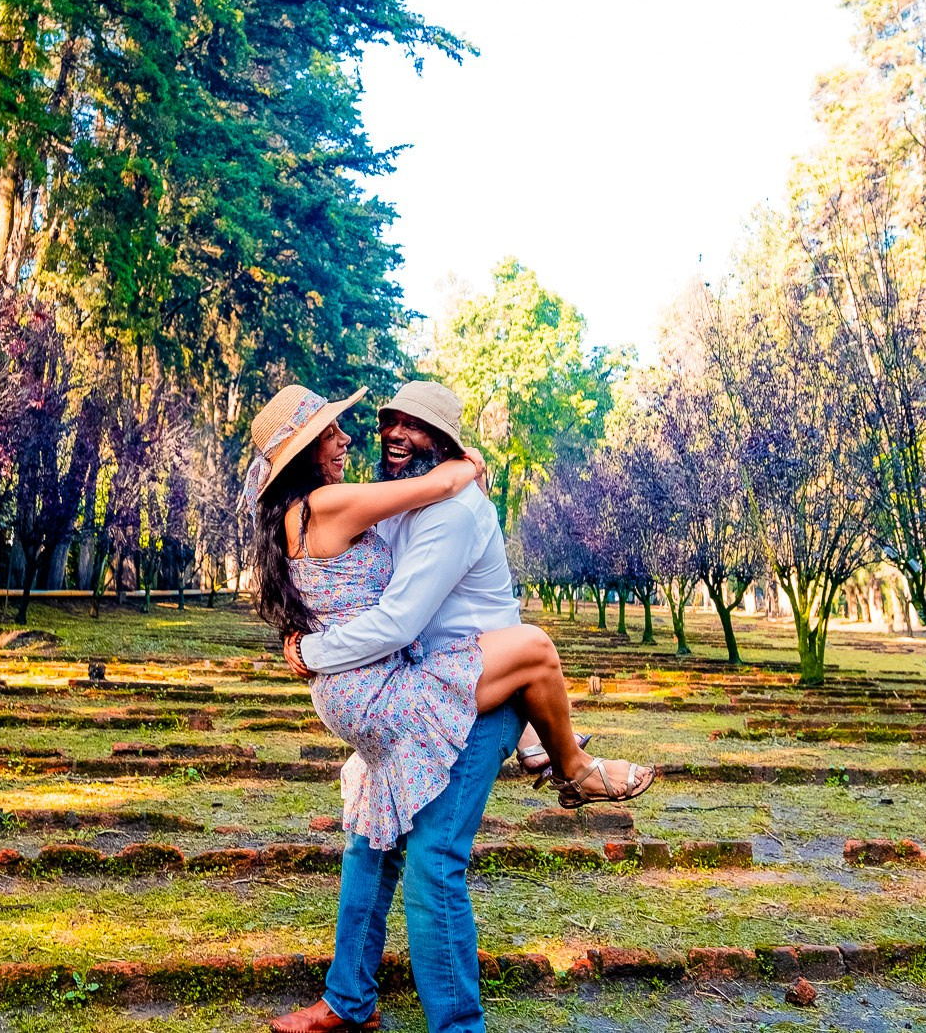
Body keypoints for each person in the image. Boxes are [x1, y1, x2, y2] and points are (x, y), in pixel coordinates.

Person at [243, 381, 651, 1033]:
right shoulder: (375, 503)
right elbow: (383, 607)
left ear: (443, 441)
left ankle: (429, 1018)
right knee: (372, 844)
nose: (382, 434)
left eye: (413, 425)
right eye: (386, 422)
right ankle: (351, 1001)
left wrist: (310, 651)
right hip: (408, 689)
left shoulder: (446, 509)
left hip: (453, 695)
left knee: (425, 859)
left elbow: (403, 617)